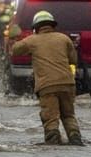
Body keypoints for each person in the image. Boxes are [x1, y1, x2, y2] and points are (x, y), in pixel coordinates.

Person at [9, 9, 84, 146]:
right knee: (68, 115)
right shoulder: (64, 38)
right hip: (68, 84)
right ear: (52, 25)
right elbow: (74, 60)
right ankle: (75, 139)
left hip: (47, 86)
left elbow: (14, 50)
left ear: (36, 28)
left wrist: (13, 37)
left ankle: (53, 145)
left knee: (50, 118)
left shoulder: (32, 40)